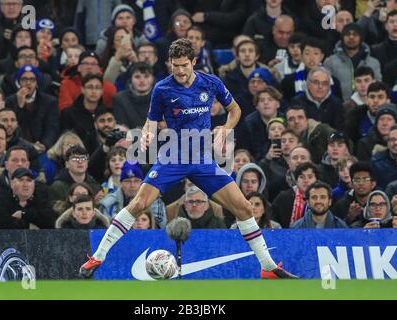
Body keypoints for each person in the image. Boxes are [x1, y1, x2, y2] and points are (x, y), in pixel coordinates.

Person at [80, 38, 297, 279]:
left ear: (194, 61)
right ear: (170, 64)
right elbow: (152, 120)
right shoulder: (162, 89)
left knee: (244, 207)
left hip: (203, 160)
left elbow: (235, 110)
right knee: (139, 203)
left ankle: (267, 267)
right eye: (175, 65)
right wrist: (148, 134)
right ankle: (97, 256)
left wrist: (225, 129)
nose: (180, 70)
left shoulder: (211, 83)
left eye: (184, 65)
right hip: (172, 157)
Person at [99, 160, 167, 228]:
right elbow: (103, 229)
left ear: (142, 183)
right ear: (121, 183)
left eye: (136, 181)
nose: (132, 185)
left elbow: (161, 225)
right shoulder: (108, 203)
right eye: (127, 181)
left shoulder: (153, 199)